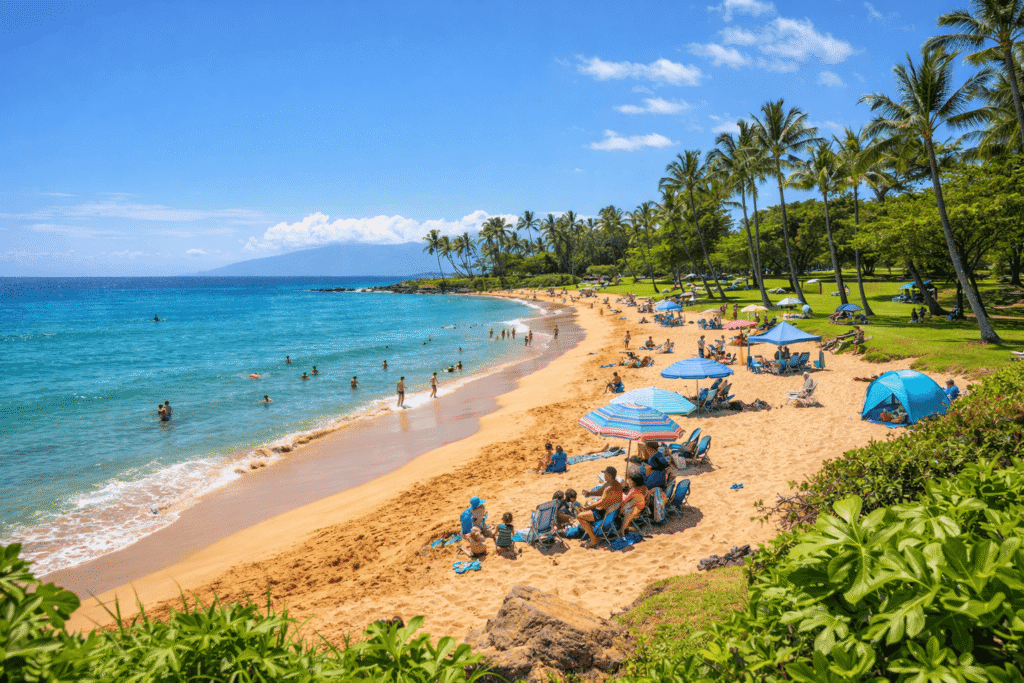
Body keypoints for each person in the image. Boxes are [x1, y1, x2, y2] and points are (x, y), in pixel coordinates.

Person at [577, 467, 623, 548]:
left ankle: (594, 539)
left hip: (603, 513)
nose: (604, 476)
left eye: (605, 474)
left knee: (580, 516)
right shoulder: (617, 485)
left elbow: (601, 501)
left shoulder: (609, 488)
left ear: (608, 475)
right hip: (612, 513)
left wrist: (588, 507)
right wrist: (589, 493)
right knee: (586, 511)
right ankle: (594, 535)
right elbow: (599, 492)